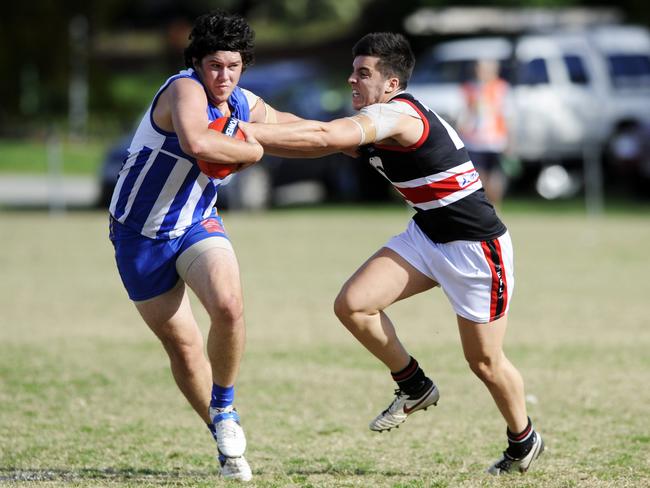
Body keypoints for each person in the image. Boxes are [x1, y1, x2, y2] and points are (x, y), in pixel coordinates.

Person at [241, 32, 544, 475]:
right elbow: (310, 131)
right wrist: (254, 111)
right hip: (427, 235)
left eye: (363, 73)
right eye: (353, 71)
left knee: (484, 362)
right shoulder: (374, 119)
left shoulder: (399, 116)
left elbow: (325, 135)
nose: (351, 80)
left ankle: (524, 439)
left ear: (391, 83)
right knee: (354, 305)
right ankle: (414, 385)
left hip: (477, 249)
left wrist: (243, 133)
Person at [108, 10, 297, 482]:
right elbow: (196, 141)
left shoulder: (241, 102)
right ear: (197, 62)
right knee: (186, 347)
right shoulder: (183, 90)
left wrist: (348, 137)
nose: (224, 76)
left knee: (229, 307)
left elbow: (288, 125)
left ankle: (226, 407)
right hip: (139, 236)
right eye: (215, 65)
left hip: (195, 223)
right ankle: (223, 440)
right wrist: (254, 150)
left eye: (233, 66)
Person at [457, 59, 511, 207]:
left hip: (496, 141)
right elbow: (463, 115)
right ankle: (482, 209)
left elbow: (507, 115)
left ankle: (496, 208)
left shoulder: (501, 88)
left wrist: (510, 141)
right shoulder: (469, 88)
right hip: (474, 141)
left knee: (495, 179)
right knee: (478, 178)